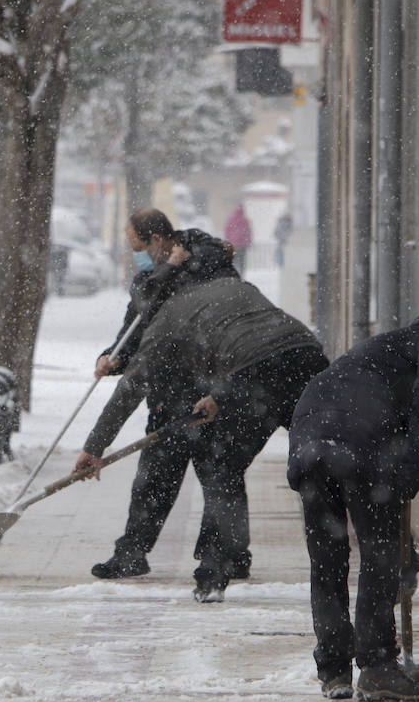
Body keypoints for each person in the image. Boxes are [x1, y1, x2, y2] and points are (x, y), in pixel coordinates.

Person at [77, 276, 328, 603]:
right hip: (306, 353)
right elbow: (245, 335)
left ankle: (213, 572)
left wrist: (93, 447)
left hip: (254, 370)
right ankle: (387, 547)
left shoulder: (168, 316)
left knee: (222, 468)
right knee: (329, 456)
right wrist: (220, 394)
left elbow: (131, 387)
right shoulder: (230, 286)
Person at [286, 300, 419, 702]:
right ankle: (377, 667)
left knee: (327, 560)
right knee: (381, 558)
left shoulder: (388, 347)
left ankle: (334, 670)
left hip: (309, 434)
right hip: (357, 440)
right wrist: (409, 477)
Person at [89, 208, 239, 581]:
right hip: (167, 389)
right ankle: (132, 553)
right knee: (155, 476)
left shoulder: (209, 262)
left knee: (219, 476)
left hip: (209, 388)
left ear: (157, 240)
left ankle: (225, 557)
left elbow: (178, 305)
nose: (134, 253)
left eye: (136, 245)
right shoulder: (152, 274)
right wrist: (113, 356)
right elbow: (137, 323)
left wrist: (170, 270)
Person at [223, 203, 252, 275]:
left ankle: (234, 275)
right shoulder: (245, 220)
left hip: (233, 245)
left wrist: (228, 241)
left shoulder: (231, 219)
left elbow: (227, 231)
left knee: (233, 261)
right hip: (242, 245)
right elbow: (248, 232)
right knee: (242, 262)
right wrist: (248, 242)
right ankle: (241, 275)